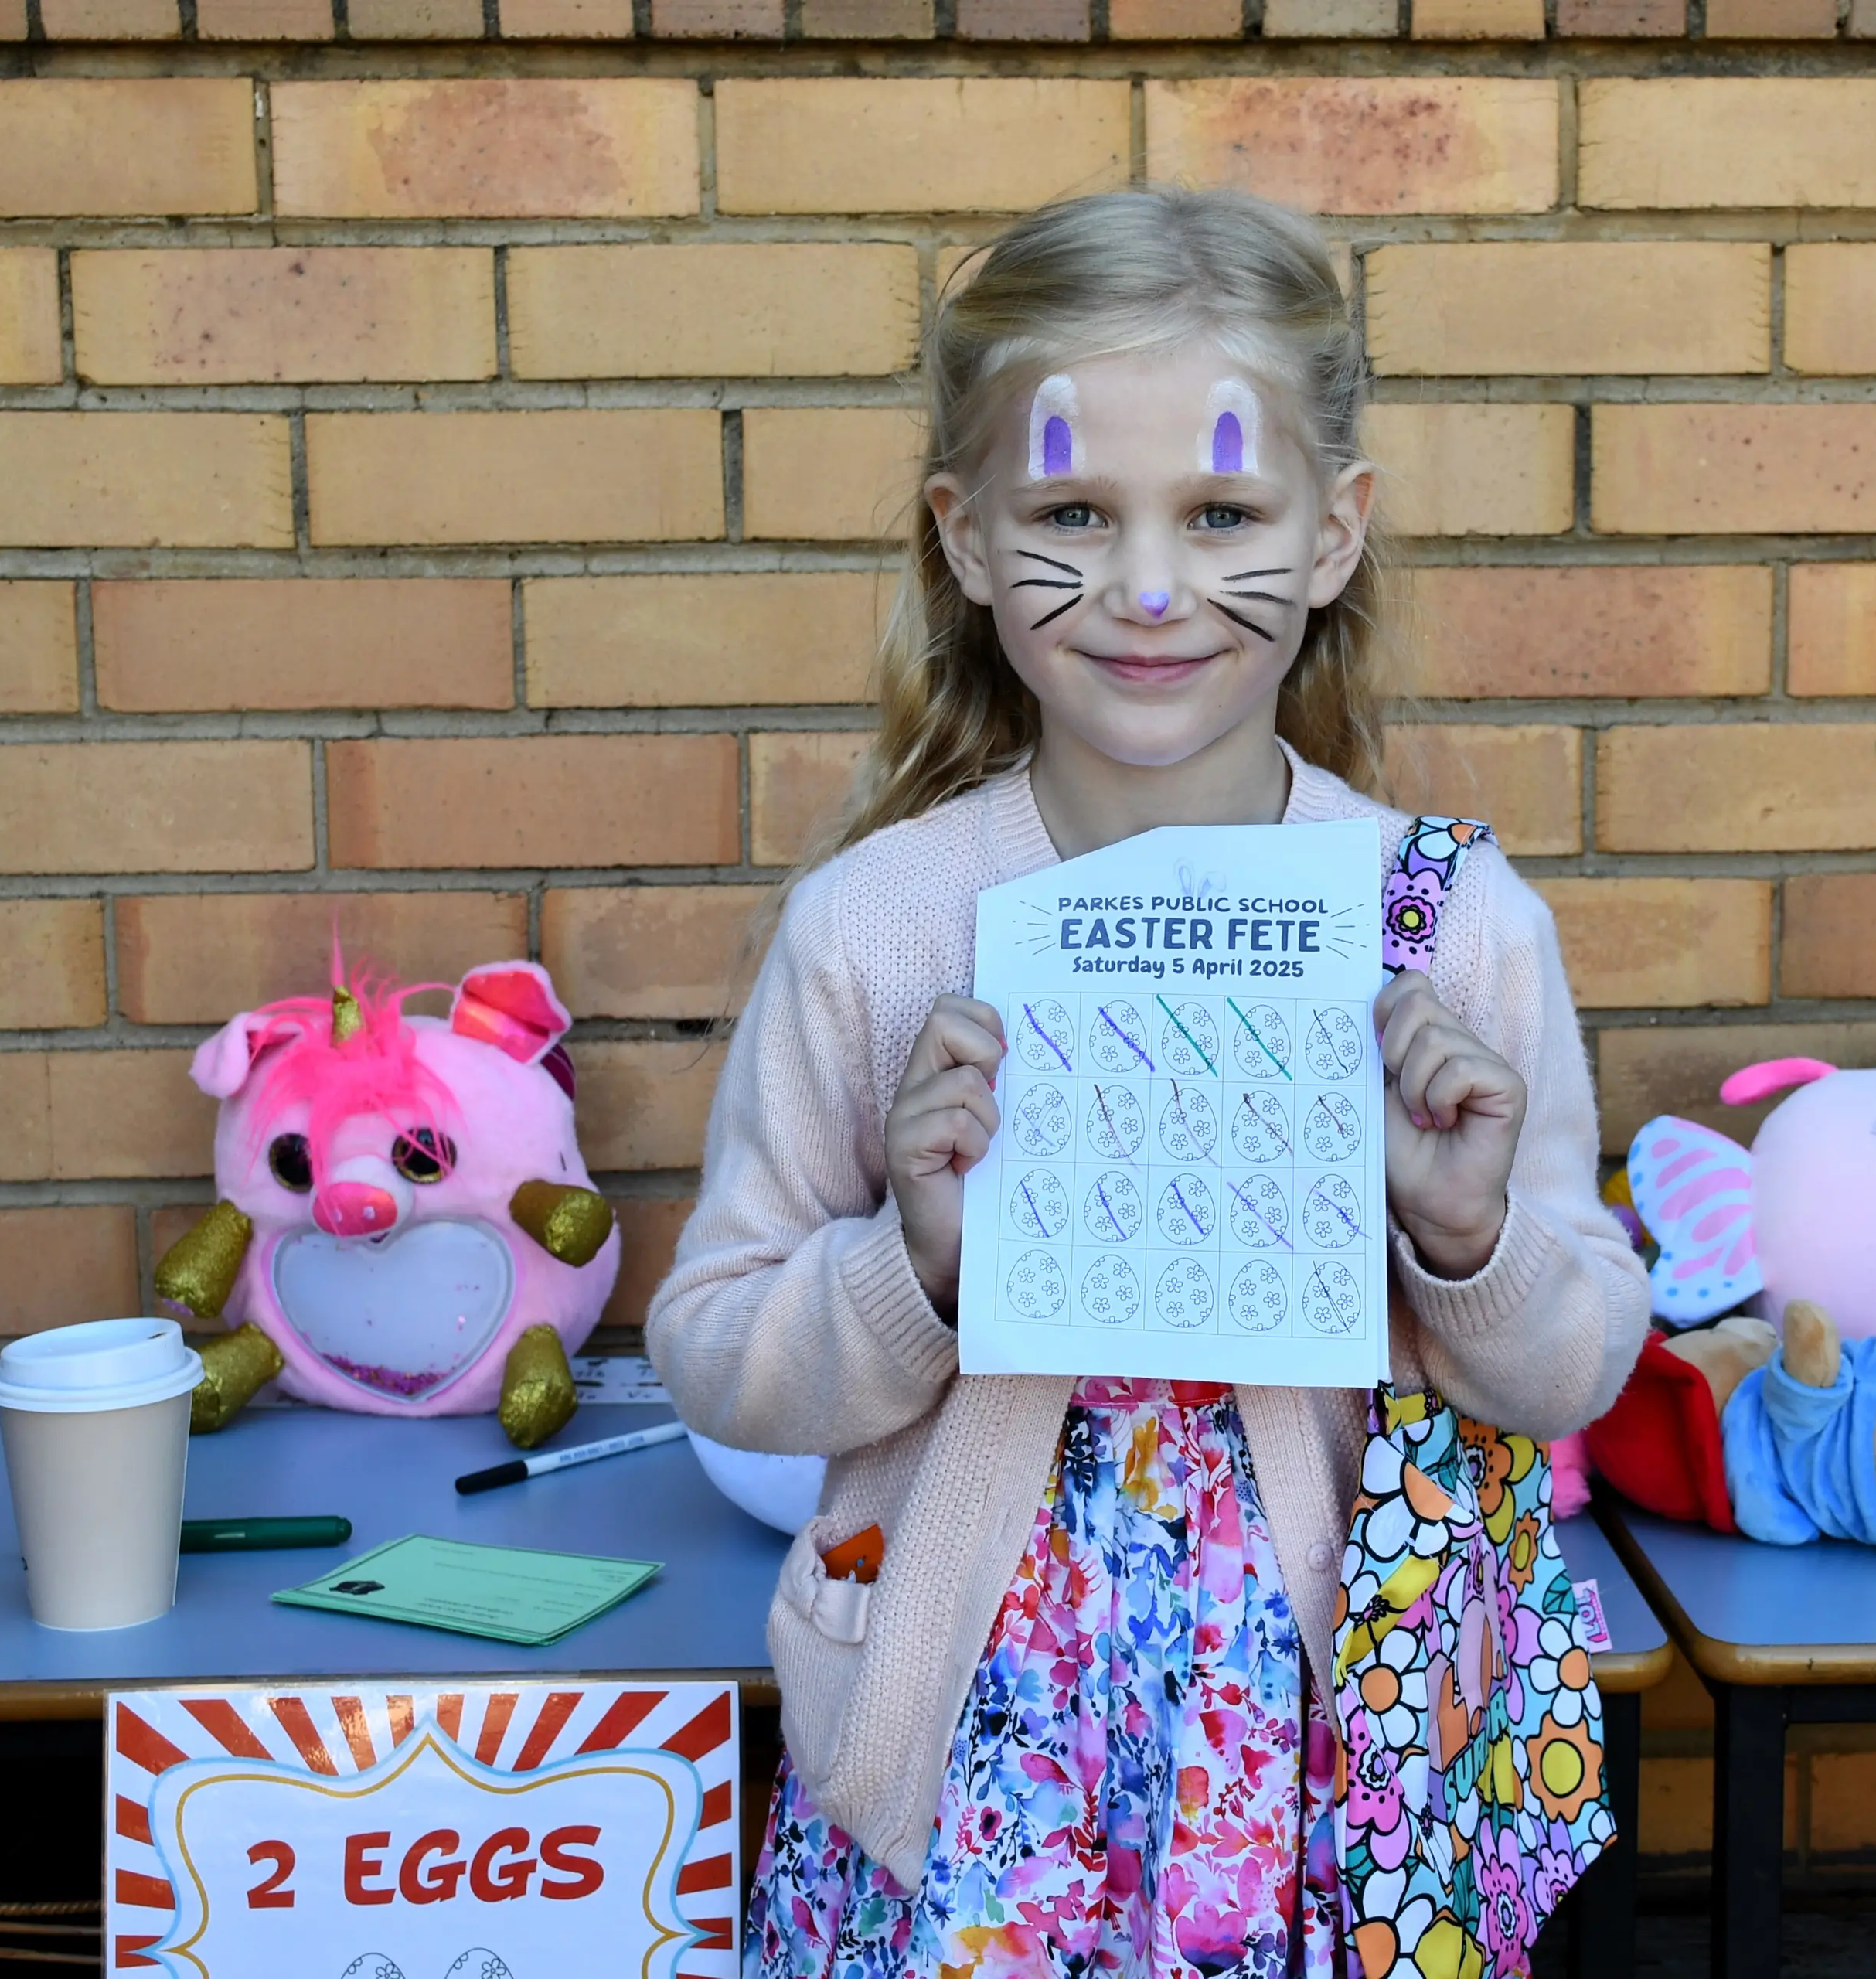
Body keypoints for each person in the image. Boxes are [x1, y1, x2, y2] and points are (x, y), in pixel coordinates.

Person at [648, 185, 1646, 1979]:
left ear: (1335, 532)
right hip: (956, 1788)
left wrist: (1470, 1229)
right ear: (965, 536)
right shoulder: (880, 929)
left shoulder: (1446, 922)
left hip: (1332, 1781)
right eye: (1073, 514)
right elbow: (717, 1348)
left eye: (1223, 512)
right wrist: (919, 1261)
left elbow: (1579, 1361)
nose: (1152, 585)